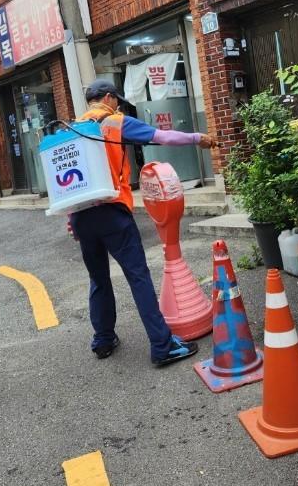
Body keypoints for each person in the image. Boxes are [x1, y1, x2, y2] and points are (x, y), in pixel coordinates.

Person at [69, 79, 216, 366]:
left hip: (82, 214)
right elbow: (164, 137)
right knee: (138, 276)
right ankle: (162, 346)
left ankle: (103, 339)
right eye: (118, 101)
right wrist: (198, 138)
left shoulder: (72, 128)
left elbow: (70, 179)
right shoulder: (114, 121)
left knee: (98, 278)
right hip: (112, 211)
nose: (119, 105)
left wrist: (72, 217)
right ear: (109, 98)